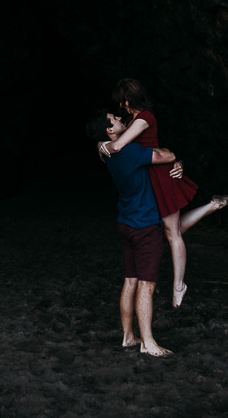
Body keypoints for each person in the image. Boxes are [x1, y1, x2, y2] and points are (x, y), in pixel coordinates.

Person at [101, 78, 228, 309]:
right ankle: (211, 206)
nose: (120, 108)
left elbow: (117, 146)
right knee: (166, 230)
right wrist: (101, 142)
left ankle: (179, 285)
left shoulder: (145, 118)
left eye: (121, 102)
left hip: (161, 176)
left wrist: (101, 146)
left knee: (172, 234)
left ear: (127, 101)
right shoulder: (128, 119)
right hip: (149, 178)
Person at [86, 110, 183, 357]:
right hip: (145, 226)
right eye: (115, 119)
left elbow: (104, 145)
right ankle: (148, 342)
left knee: (130, 280)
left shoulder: (105, 152)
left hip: (125, 223)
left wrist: (103, 142)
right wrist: (177, 162)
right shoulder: (131, 151)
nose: (120, 118)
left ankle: (129, 336)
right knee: (146, 286)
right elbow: (168, 156)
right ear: (110, 130)